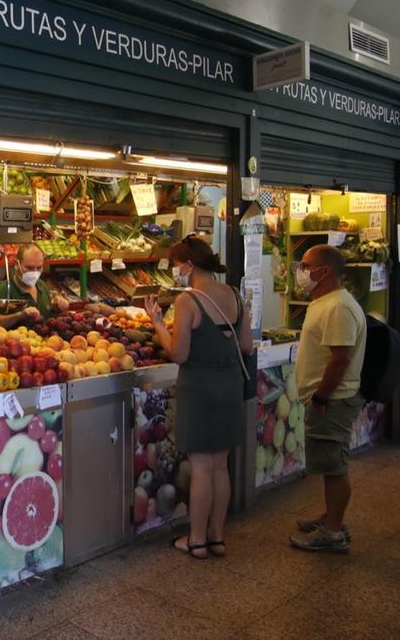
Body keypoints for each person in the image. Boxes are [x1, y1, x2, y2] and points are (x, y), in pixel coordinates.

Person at [144, 235, 251, 559]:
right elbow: (245, 346)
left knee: (202, 467)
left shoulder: (188, 300)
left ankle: (196, 539)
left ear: (189, 265)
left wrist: (159, 324)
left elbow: (178, 353)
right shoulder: (234, 294)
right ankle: (216, 537)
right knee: (221, 466)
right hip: (230, 387)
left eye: (177, 265)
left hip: (200, 388)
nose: (176, 270)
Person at [290, 245, 367, 554]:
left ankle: (333, 532)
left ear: (324, 271)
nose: (301, 271)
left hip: (333, 400)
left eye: (306, 265)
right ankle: (330, 516)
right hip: (327, 399)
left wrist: (321, 396)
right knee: (328, 464)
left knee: (335, 467)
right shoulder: (324, 302)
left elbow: (340, 359)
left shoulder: (338, 307)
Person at [0, 243, 69, 328]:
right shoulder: (4, 290)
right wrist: (19, 315)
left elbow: (47, 316)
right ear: (17, 264)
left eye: (39, 268)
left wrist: (57, 308)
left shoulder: (42, 285)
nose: (35, 272)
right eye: (29, 268)